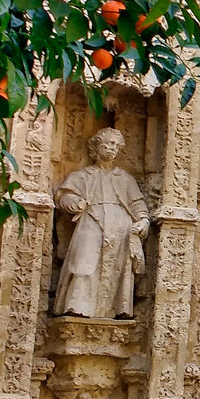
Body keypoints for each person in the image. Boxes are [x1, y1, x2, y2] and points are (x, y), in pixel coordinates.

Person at [53, 128, 150, 319]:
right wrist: (72, 202)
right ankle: (77, 307)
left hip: (121, 227)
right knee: (84, 264)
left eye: (115, 145)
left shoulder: (124, 178)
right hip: (91, 222)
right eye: (107, 143)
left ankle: (114, 311)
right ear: (96, 147)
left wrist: (144, 221)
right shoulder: (83, 175)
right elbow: (64, 195)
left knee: (117, 271)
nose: (111, 148)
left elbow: (137, 204)